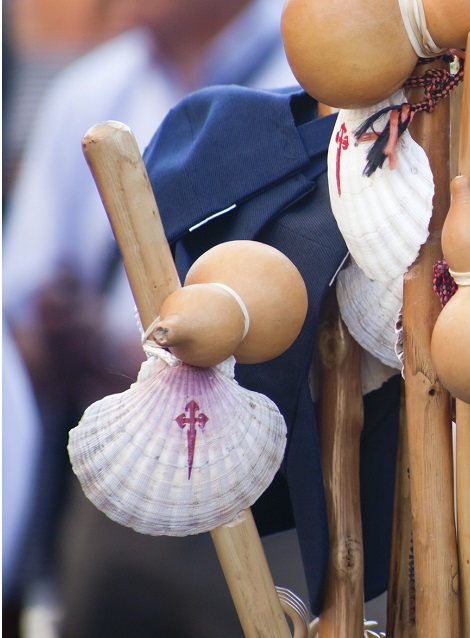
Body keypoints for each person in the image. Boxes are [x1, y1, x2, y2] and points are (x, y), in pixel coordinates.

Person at [2, 1, 299, 634]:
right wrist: (65, 341)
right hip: (121, 477)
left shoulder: (321, 65)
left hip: (292, 489)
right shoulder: (88, 88)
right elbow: (21, 317)